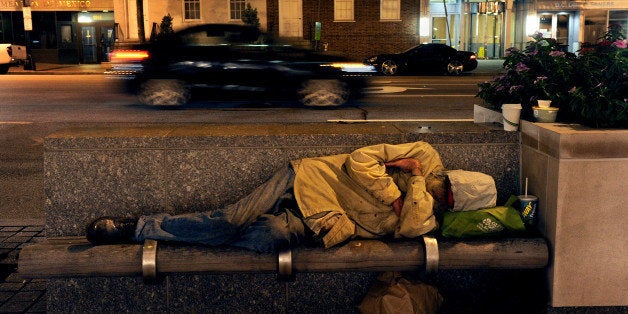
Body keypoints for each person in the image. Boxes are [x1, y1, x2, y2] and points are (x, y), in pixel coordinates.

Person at [87, 141, 497, 252]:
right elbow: (359, 161)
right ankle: (138, 228)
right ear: (454, 178)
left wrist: (418, 185)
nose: (443, 198)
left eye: (449, 202)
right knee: (232, 220)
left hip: (325, 221)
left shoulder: (429, 199)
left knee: (269, 237)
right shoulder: (426, 154)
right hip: (308, 179)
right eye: (448, 190)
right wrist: (396, 192)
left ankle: (191, 234)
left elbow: (410, 227)